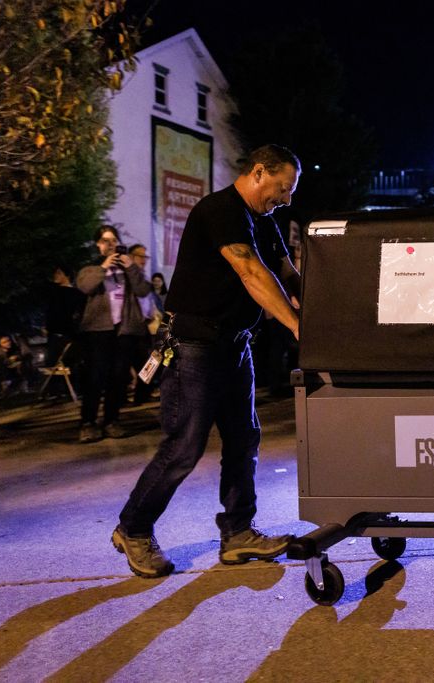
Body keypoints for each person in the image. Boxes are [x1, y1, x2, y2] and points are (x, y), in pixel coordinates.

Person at [112, 144, 303, 578]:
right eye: (282, 188)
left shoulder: (265, 220)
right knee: (184, 445)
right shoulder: (220, 210)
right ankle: (133, 528)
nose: (287, 199)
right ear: (258, 172)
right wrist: (295, 324)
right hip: (194, 346)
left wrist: (317, 307)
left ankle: (238, 533)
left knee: (244, 440)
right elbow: (251, 272)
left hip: (235, 345)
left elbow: (286, 274)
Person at [76, 226, 152, 442]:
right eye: (104, 241)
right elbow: (85, 287)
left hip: (124, 331)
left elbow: (143, 290)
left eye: (113, 241)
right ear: (98, 245)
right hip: (98, 331)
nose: (110, 245)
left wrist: (131, 267)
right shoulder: (90, 269)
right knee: (95, 377)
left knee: (118, 378)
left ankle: (111, 420)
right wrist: (104, 267)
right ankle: (88, 422)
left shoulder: (128, 272)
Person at [128, 244, 159, 404]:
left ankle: (142, 395)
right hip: (135, 327)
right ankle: (139, 395)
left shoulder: (143, 277)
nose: (144, 260)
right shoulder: (130, 278)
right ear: (131, 256)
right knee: (144, 363)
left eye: (145, 257)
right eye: (140, 256)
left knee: (150, 363)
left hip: (148, 328)